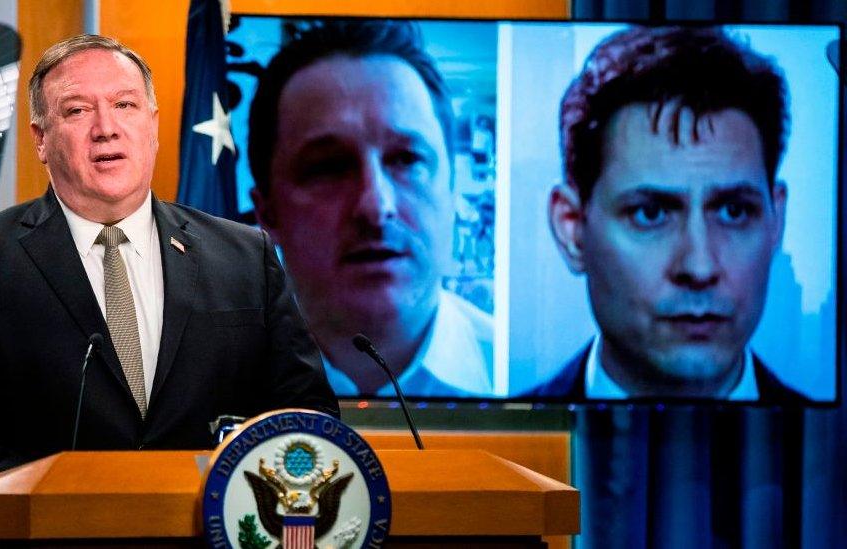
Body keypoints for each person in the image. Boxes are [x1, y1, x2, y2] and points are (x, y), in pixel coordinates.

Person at [0, 34, 338, 517]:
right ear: (40, 138)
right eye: (77, 111)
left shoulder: (246, 255)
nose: (106, 128)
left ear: (153, 126)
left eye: (125, 105)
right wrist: (33, 495)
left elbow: (306, 413)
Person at [540, 25, 807, 402]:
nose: (700, 268)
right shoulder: (495, 446)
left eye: (734, 211)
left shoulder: (834, 445)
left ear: (775, 220)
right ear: (571, 228)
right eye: (650, 214)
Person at [247, 21, 494, 398]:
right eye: (328, 166)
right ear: (267, 214)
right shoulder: (210, 386)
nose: (377, 207)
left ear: (451, 189)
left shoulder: (533, 380)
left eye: (407, 159)